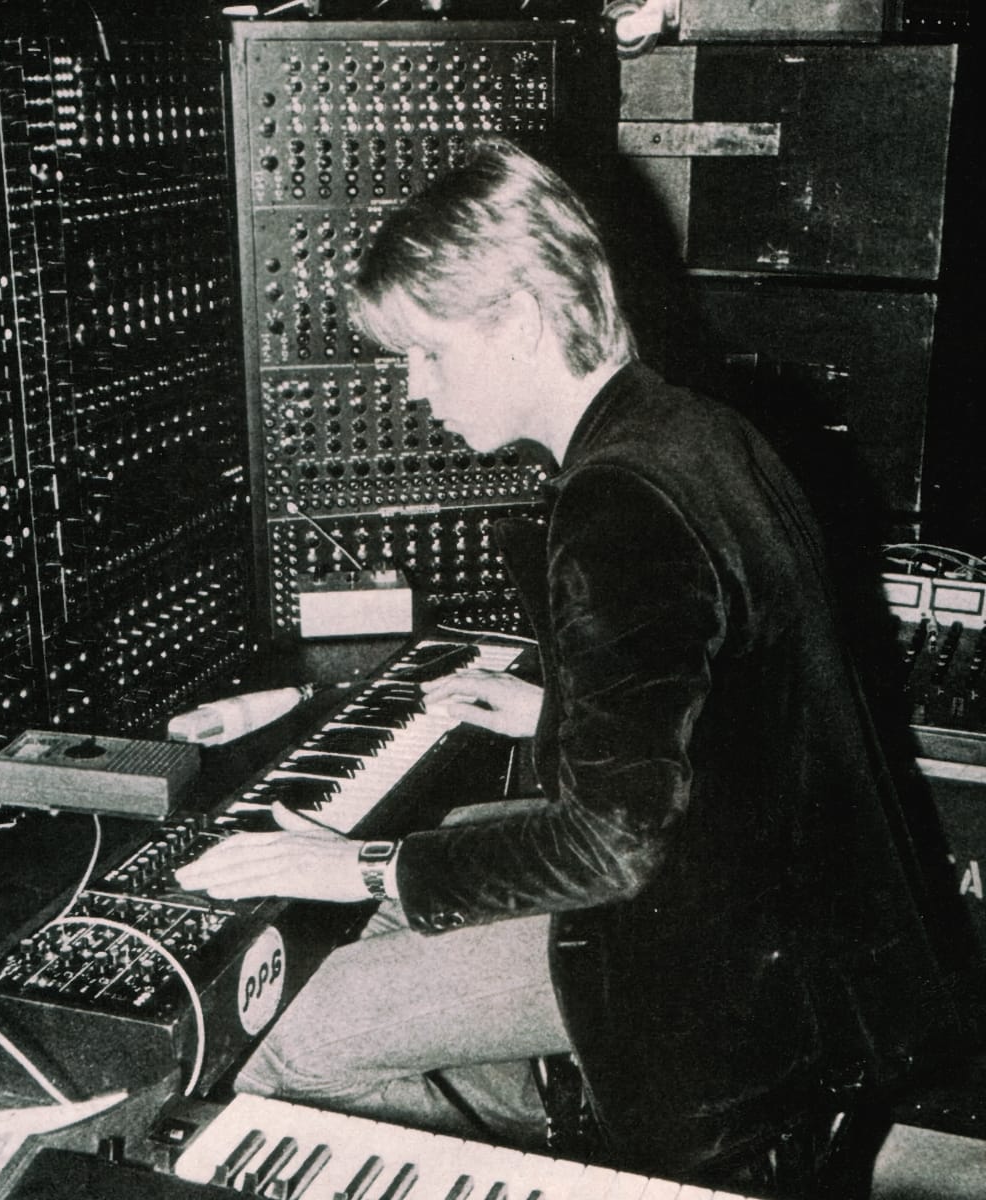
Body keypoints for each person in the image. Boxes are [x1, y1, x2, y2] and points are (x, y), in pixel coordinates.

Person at [175, 139, 970, 1191]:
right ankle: (539, 1095)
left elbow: (611, 847)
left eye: (427, 352)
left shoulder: (616, 502)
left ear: (517, 318)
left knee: (289, 1043)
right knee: (450, 840)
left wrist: (362, 866)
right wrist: (557, 711)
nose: (415, 390)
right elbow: (732, 697)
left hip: (719, 972)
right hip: (798, 924)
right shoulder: (693, 426)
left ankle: (551, 1148)